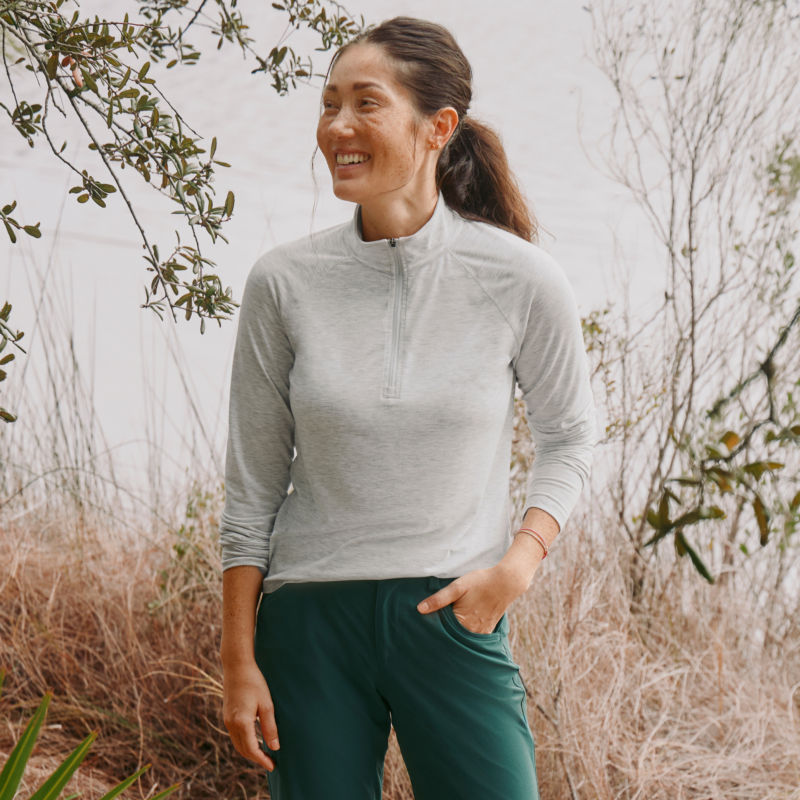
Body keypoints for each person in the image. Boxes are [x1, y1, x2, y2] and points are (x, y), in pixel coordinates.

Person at [218, 15, 597, 800]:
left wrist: (517, 566)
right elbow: (251, 486)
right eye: (328, 105)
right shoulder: (283, 283)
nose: (338, 128)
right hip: (310, 626)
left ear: (438, 127)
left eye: (365, 103)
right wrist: (239, 658)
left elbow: (570, 436)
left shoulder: (521, 279)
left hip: (451, 613)